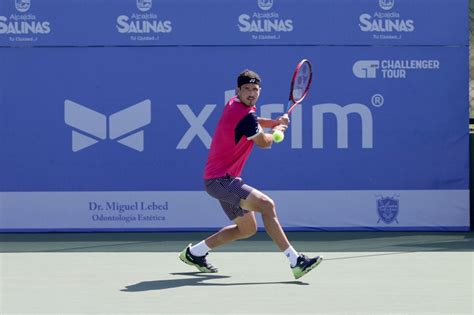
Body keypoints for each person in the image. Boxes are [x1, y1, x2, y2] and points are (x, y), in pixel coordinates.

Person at [179, 69, 322, 279]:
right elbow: (264, 143)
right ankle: (295, 261)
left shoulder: (235, 104)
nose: (251, 93)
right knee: (267, 205)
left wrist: (273, 122)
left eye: (255, 89)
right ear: (238, 90)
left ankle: (195, 253)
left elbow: (253, 119)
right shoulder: (243, 114)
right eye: (246, 89)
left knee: (247, 229)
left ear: (259, 90)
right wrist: (279, 131)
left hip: (220, 180)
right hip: (221, 180)